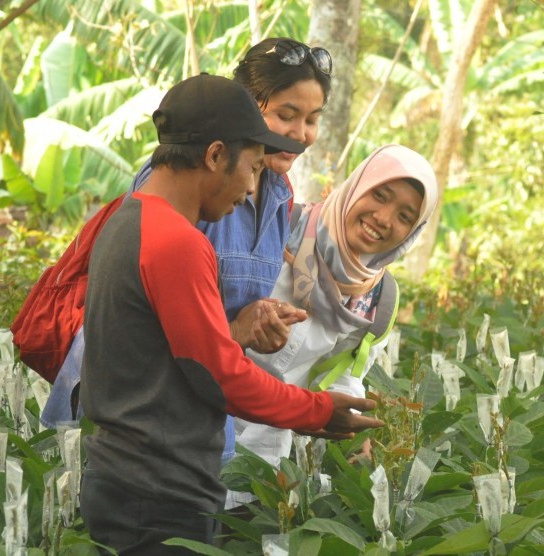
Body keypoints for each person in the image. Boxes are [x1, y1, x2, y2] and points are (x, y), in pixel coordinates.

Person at [79, 74, 382, 554]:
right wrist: (319, 411)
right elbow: (220, 375)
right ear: (216, 155)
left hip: (125, 477)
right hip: (158, 491)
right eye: (254, 168)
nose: (249, 189)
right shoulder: (178, 243)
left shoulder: (128, 219)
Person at [41, 38, 334, 449]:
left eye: (312, 119)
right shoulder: (183, 189)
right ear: (242, 110)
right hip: (138, 425)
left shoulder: (280, 195)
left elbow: (218, 321)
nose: (300, 134)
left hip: (198, 420)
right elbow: (157, 331)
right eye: (286, 115)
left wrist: (257, 319)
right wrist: (317, 410)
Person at [226, 144, 438, 508]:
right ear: (356, 186)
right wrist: (242, 328)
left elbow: (340, 373)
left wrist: (352, 423)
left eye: (404, 216)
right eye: (380, 196)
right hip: (201, 432)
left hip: (268, 466)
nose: (384, 219)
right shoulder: (274, 225)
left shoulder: (378, 299)